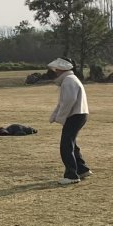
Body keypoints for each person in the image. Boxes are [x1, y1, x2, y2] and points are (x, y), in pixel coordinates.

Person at [47, 57, 91, 185]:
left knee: (66, 145)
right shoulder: (70, 79)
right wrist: (54, 116)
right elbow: (63, 102)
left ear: (62, 69)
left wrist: (60, 117)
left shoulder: (68, 80)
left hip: (75, 115)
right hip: (79, 114)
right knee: (71, 143)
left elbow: (68, 101)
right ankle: (82, 169)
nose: (55, 71)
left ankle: (71, 175)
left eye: (57, 69)